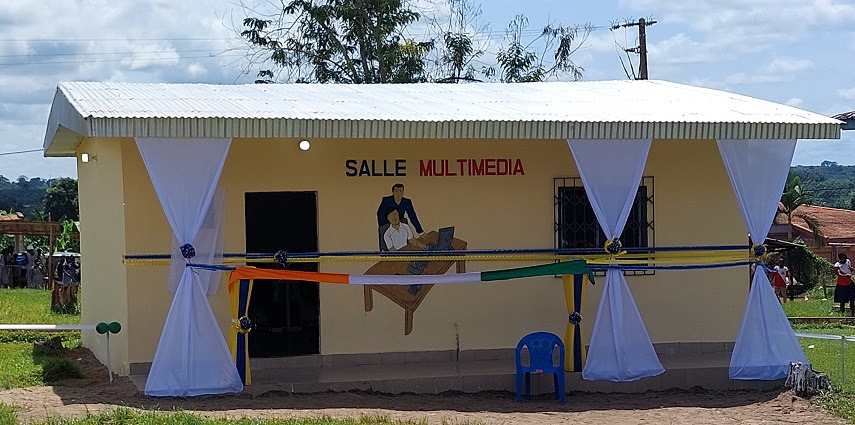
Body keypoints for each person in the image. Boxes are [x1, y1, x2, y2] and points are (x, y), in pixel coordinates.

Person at [377, 184, 424, 249]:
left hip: (401, 224)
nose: (398, 194)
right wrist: (386, 227)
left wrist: (421, 233)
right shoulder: (386, 201)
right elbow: (380, 215)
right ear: (393, 192)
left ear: (403, 192)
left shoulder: (406, 202)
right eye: (396, 191)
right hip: (388, 225)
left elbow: (413, 217)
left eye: (400, 191)